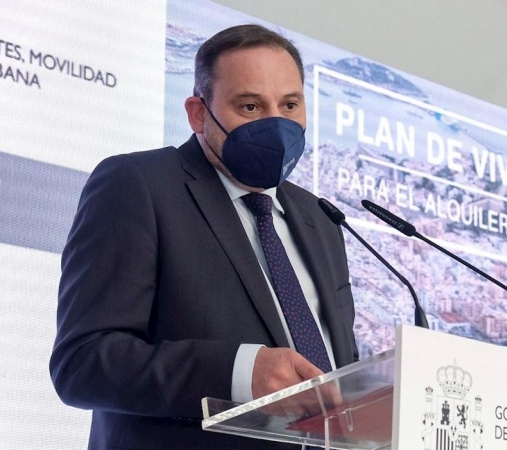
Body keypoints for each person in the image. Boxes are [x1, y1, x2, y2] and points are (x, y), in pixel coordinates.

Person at [50, 24, 358, 450]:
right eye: (250, 106)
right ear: (198, 112)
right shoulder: (138, 185)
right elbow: (82, 365)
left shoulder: (319, 218)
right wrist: (238, 371)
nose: (276, 124)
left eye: (290, 105)